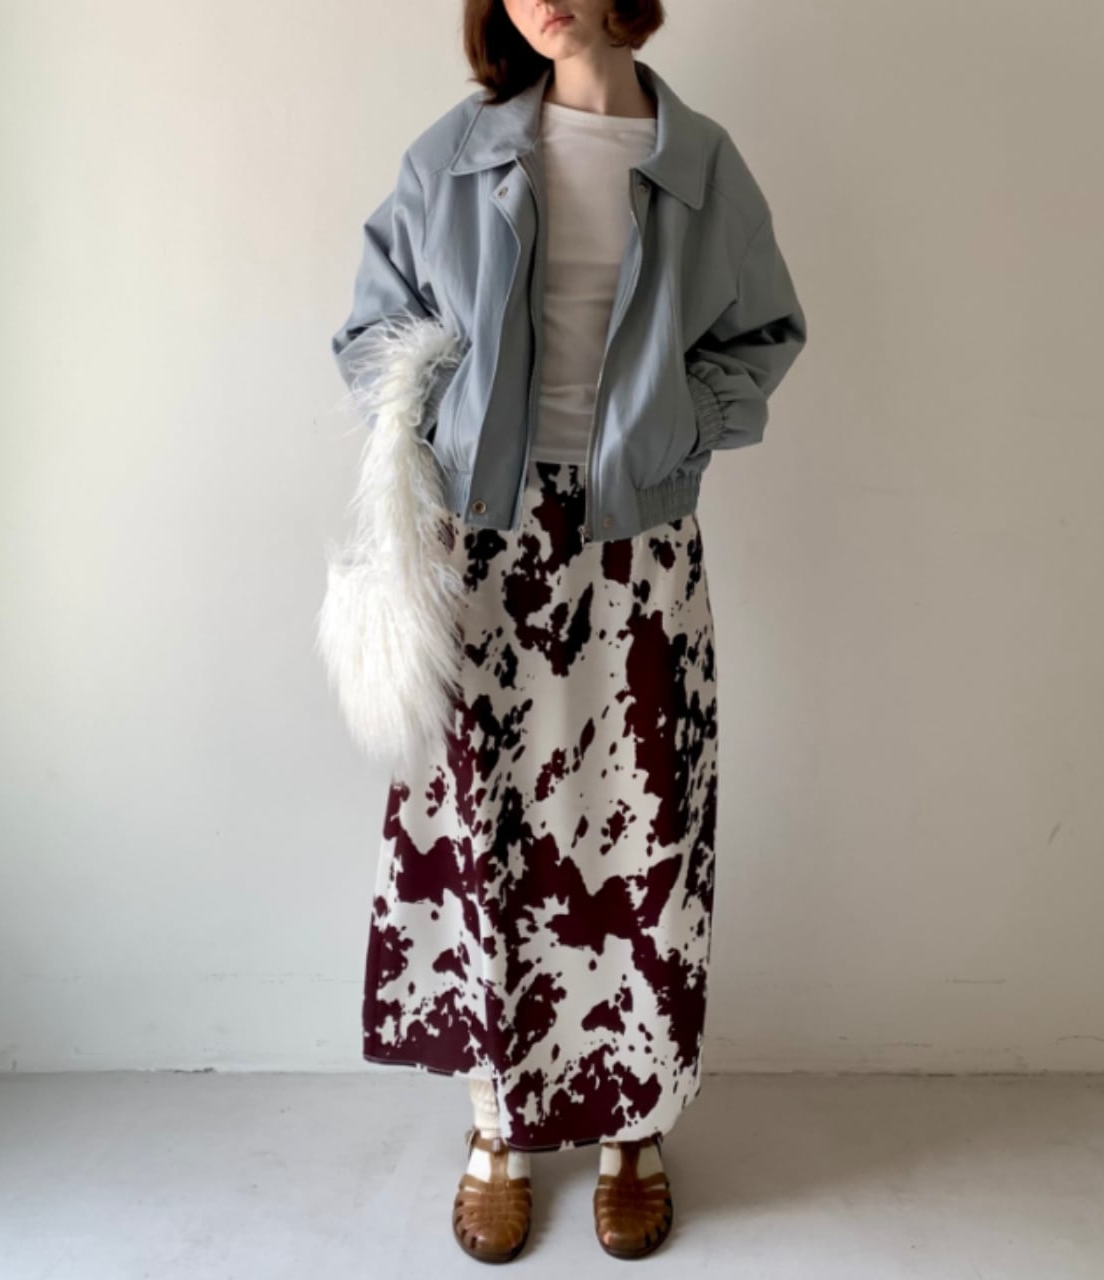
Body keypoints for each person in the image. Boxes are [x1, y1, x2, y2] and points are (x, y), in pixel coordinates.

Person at [329, 0, 806, 1262]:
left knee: (639, 824)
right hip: (482, 543)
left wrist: (677, 430)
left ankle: (629, 1126)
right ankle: (496, 1124)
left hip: (636, 544)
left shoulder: (698, 165)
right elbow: (370, 333)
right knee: (481, 824)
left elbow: (763, 334)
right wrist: (436, 427)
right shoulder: (454, 155)